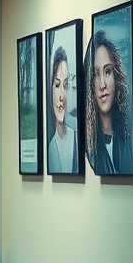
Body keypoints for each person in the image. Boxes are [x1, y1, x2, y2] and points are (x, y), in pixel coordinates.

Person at [86, 30, 133, 174]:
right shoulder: (89, 142)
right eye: (95, 75)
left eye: (107, 72)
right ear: (89, 83)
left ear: (116, 76)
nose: (102, 85)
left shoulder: (126, 137)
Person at [46, 45, 78, 173]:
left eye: (65, 85)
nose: (61, 95)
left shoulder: (76, 137)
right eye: (57, 85)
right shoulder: (50, 147)